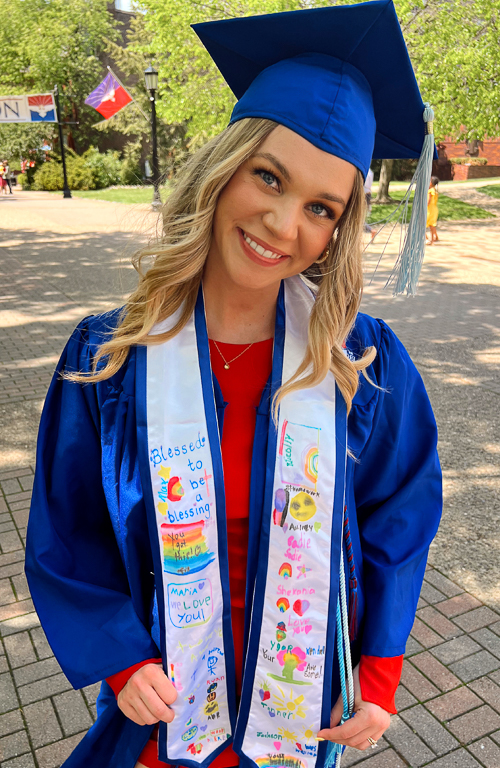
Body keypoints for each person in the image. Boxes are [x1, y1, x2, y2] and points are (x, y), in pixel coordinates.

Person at [25, 2, 442, 768]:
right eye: (269, 177)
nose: (285, 224)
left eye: (321, 208)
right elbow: (70, 524)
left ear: (337, 230)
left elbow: (399, 516)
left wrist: (378, 676)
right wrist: (119, 657)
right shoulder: (113, 356)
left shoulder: (361, 363)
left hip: (302, 708)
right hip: (166, 705)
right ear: (228, 166)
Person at [363, 166, 375, 239]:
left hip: (363, 193)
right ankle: (370, 230)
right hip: (368, 193)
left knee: (358, 217)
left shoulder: (364, 170)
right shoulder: (370, 172)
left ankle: (370, 230)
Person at [426, 175, 439, 244]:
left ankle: (428, 239)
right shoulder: (435, 190)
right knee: (432, 225)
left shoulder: (430, 191)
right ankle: (435, 237)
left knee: (424, 224)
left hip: (429, 210)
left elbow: (428, 201)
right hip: (434, 209)